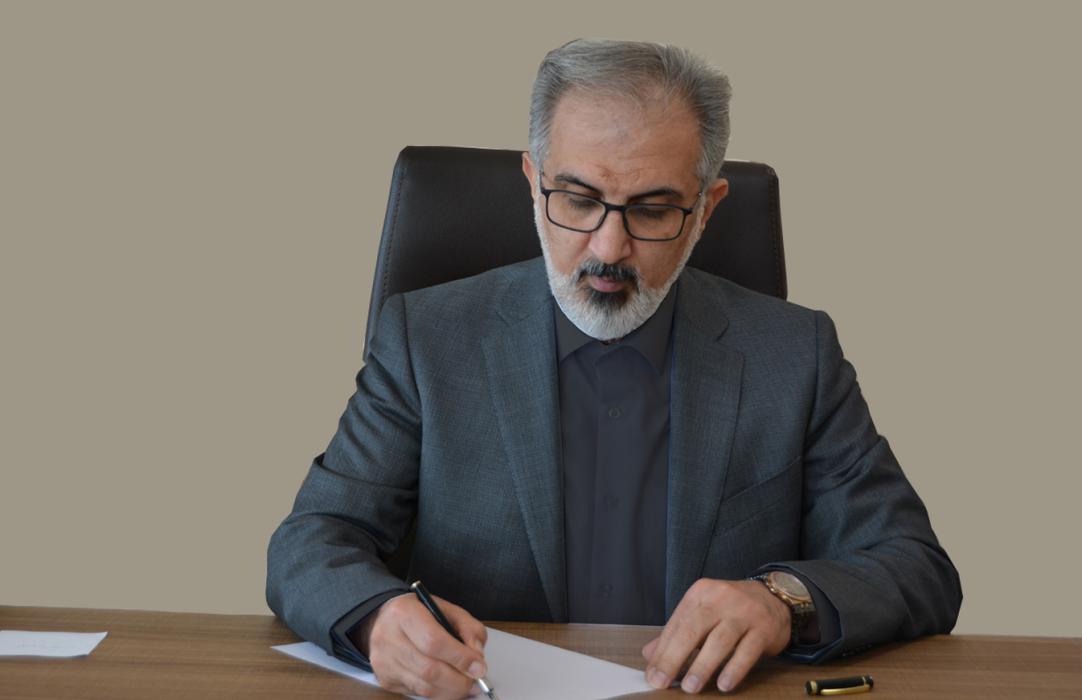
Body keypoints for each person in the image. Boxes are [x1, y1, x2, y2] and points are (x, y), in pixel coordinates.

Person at [267, 38, 961, 698]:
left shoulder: (795, 353)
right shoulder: (425, 340)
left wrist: (783, 600)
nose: (608, 247)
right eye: (578, 200)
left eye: (652, 211)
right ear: (533, 183)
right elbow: (312, 541)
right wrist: (377, 618)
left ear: (706, 210)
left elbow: (916, 566)